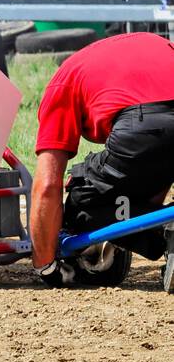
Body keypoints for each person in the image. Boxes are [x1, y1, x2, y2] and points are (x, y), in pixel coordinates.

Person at [31, 32, 174, 290]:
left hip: (144, 127)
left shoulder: (64, 82)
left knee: (81, 202)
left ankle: (166, 233)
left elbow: (47, 186)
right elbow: (157, 168)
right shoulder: (149, 46)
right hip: (152, 133)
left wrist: (46, 267)